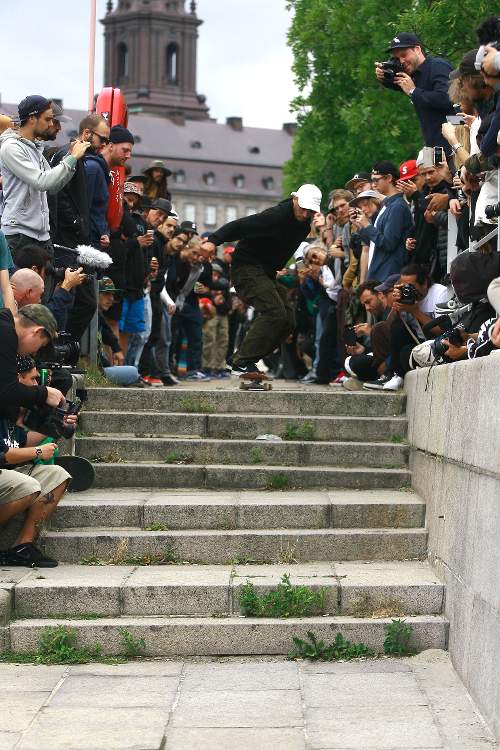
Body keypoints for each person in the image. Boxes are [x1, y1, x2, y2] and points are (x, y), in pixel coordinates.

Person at [201, 184, 322, 373]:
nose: (306, 214)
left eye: (311, 211)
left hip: (266, 273)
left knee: (289, 321)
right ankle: (241, 360)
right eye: (303, 209)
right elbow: (241, 225)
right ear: (295, 200)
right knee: (275, 313)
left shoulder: (304, 225)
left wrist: (297, 265)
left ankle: (246, 359)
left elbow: (295, 247)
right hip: (246, 269)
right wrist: (213, 240)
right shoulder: (276, 216)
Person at [0, 355, 72, 568]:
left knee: (58, 475)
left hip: (9, 474)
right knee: (29, 486)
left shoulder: (14, 407)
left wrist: (57, 424)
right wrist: (38, 451)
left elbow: (20, 442)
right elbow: (4, 454)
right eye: (32, 380)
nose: (36, 386)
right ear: (16, 378)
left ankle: (23, 546)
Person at [0, 95, 90, 258]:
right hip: (19, 236)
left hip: (41, 237)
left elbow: (53, 186)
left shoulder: (36, 150)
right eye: (48, 119)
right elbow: (42, 181)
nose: (51, 124)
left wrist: (71, 159)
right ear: (32, 119)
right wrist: (72, 158)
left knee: (42, 285)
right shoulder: (10, 147)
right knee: (20, 284)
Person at [375, 33, 455, 153]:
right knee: (425, 169)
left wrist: (413, 91)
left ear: (417, 49)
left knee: (451, 171)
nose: (401, 61)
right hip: (432, 146)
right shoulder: (413, 74)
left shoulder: (438, 66)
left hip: (453, 143)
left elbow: (447, 98)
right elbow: (397, 83)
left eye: (404, 55)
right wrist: (383, 76)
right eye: (397, 58)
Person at [353, 161, 413, 282]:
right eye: (372, 181)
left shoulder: (397, 207)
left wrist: (367, 225)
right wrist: (361, 226)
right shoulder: (387, 205)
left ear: (389, 178)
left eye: (376, 180)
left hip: (389, 276)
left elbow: (388, 243)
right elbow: (373, 243)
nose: (373, 185)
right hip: (380, 274)